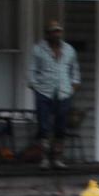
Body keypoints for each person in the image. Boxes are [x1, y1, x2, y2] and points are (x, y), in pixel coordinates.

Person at [27, 20, 80, 169]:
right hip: (44, 92)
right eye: (53, 31)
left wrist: (73, 86)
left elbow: (74, 70)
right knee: (44, 126)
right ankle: (44, 158)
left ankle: (57, 158)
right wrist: (35, 86)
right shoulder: (38, 49)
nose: (56, 34)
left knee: (61, 126)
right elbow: (32, 71)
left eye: (58, 31)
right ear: (47, 34)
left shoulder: (69, 50)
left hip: (63, 92)